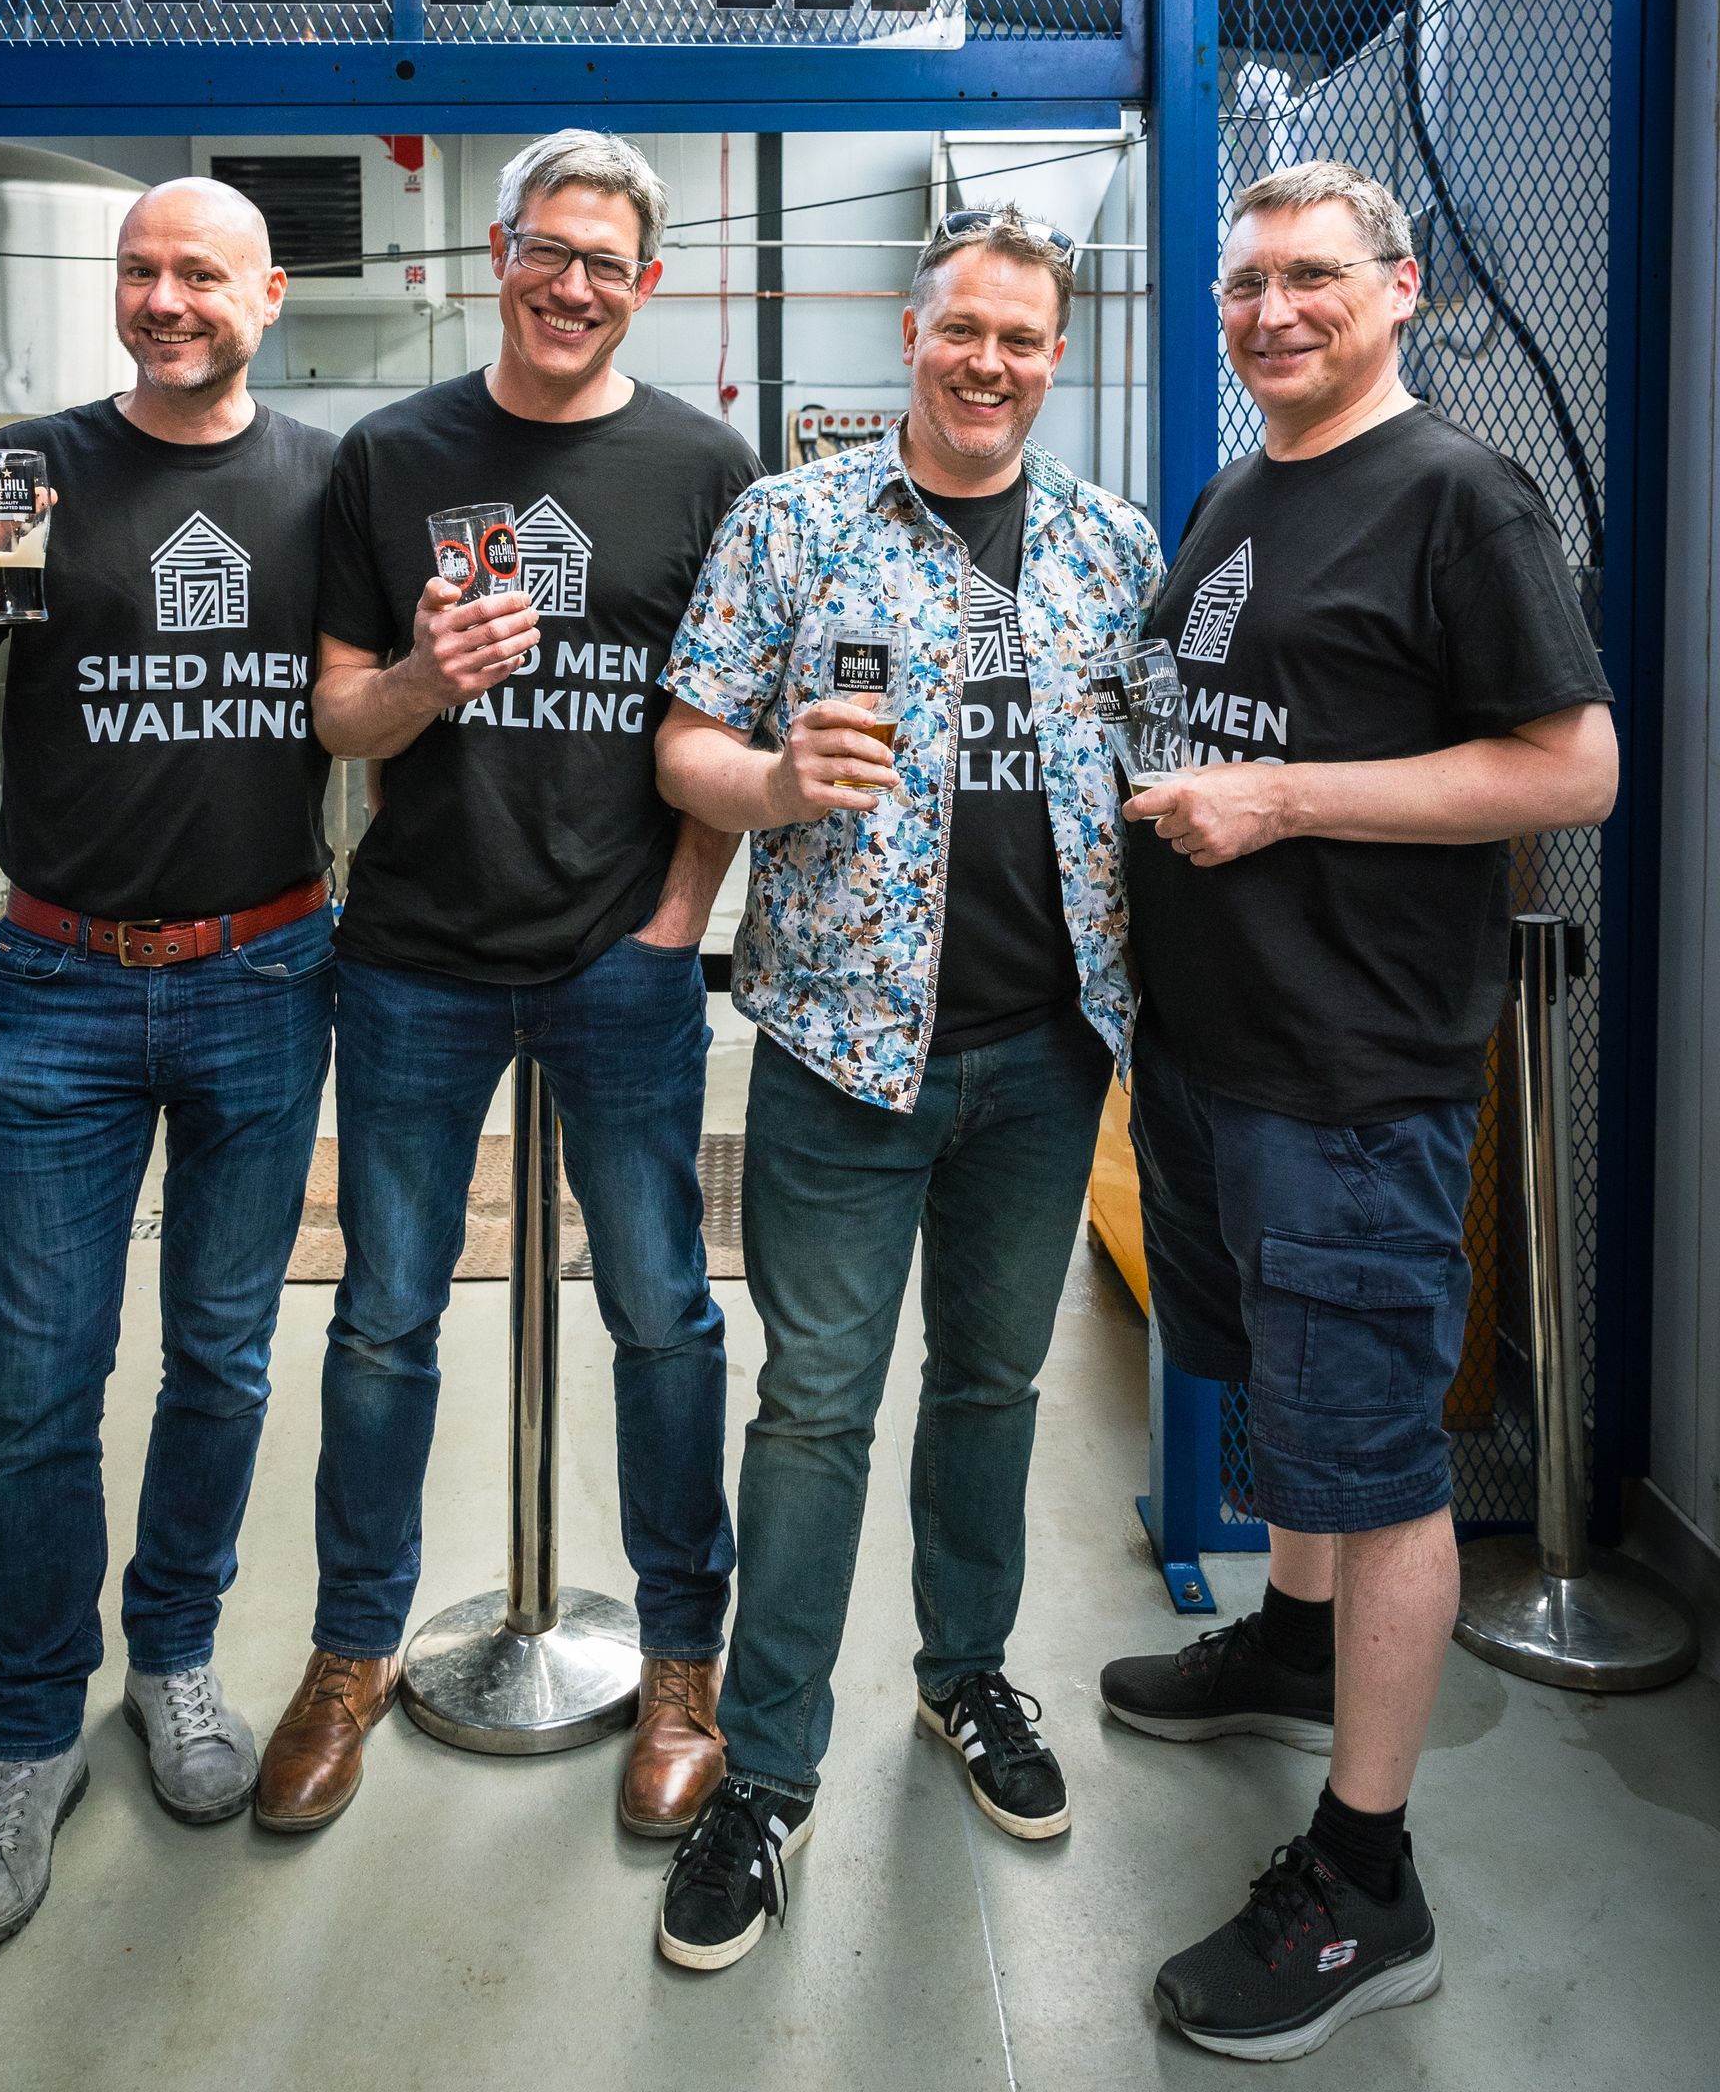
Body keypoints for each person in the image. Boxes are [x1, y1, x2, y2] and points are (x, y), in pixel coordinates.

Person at [1101, 161, 1618, 2063]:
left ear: (1400, 289)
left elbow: (1576, 768)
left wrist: (1291, 800)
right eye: (1247, 283)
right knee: (1288, 1408)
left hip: (1352, 1067)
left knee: (1376, 1452)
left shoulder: (1461, 494)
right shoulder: (1251, 485)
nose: (1273, 311)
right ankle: (1297, 1643)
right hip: (1223, 1045)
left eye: (1316, 278)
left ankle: (1367, 1878)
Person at [648, 204, 1161, 1971]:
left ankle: (966, 1680)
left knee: (996, 1390)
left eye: (1023, 335)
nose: (990, 361)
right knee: (815, 1414)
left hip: (1047, 1060)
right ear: (912, 327)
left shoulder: (1112, 549)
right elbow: (687, 741)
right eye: (962, 329)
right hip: (843, 1059)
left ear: (1057, 347)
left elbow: (1167, 771)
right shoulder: (794, 524)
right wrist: (775, 783)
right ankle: (767, 1774)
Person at [257, 128, 758, 1840]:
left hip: (623, 959)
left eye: (606, 262)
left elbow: (727, 727)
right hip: (414, 959)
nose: (571, 285)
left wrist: (681, 912)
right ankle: (349, 1653)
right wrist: (419, 673)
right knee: (386, 1315)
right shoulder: (391, 455)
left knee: (663, 1312)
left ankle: (682, 1656)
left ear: (647, 284)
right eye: (548, 249)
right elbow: (334, 714)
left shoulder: (708, 466)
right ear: (495, 250)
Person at [0, 179, 338, 1951]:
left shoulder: (319, 486)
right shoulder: (22, 471)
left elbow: (365, 702)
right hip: (62, 983)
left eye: (198, 272)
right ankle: (24, 1733)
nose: (164, 298)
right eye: (139, 270)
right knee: (37, 1392)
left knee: (220, 1358)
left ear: (265, 294)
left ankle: (177, 1663)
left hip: (265, 970)